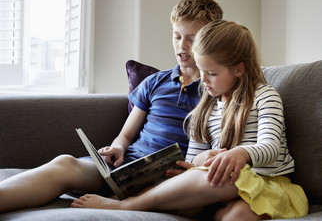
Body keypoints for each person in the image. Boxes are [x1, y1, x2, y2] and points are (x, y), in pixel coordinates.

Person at [0, 0, 223, 212]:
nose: (182, 45)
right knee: (65, 163)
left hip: (173, 179)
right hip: (128, 166)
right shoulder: (155, 82)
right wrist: (118, 147)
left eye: (191, 38)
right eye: (177, 36)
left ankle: (129, 201)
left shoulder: (218, 88)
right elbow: (126, 135)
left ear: (209, 39)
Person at [71, 20, 309, 221]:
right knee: (215, 177)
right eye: (201, 70)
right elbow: (192, 160)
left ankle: (129, 205)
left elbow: (271, 148)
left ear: (239, 69)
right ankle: (134, 202)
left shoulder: (265, 96)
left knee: (236, 212)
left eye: (212, 73)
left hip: (269, 183)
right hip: (220, 185)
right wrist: (197, 161)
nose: (203, 80)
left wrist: (241, 154)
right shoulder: (203, 109)